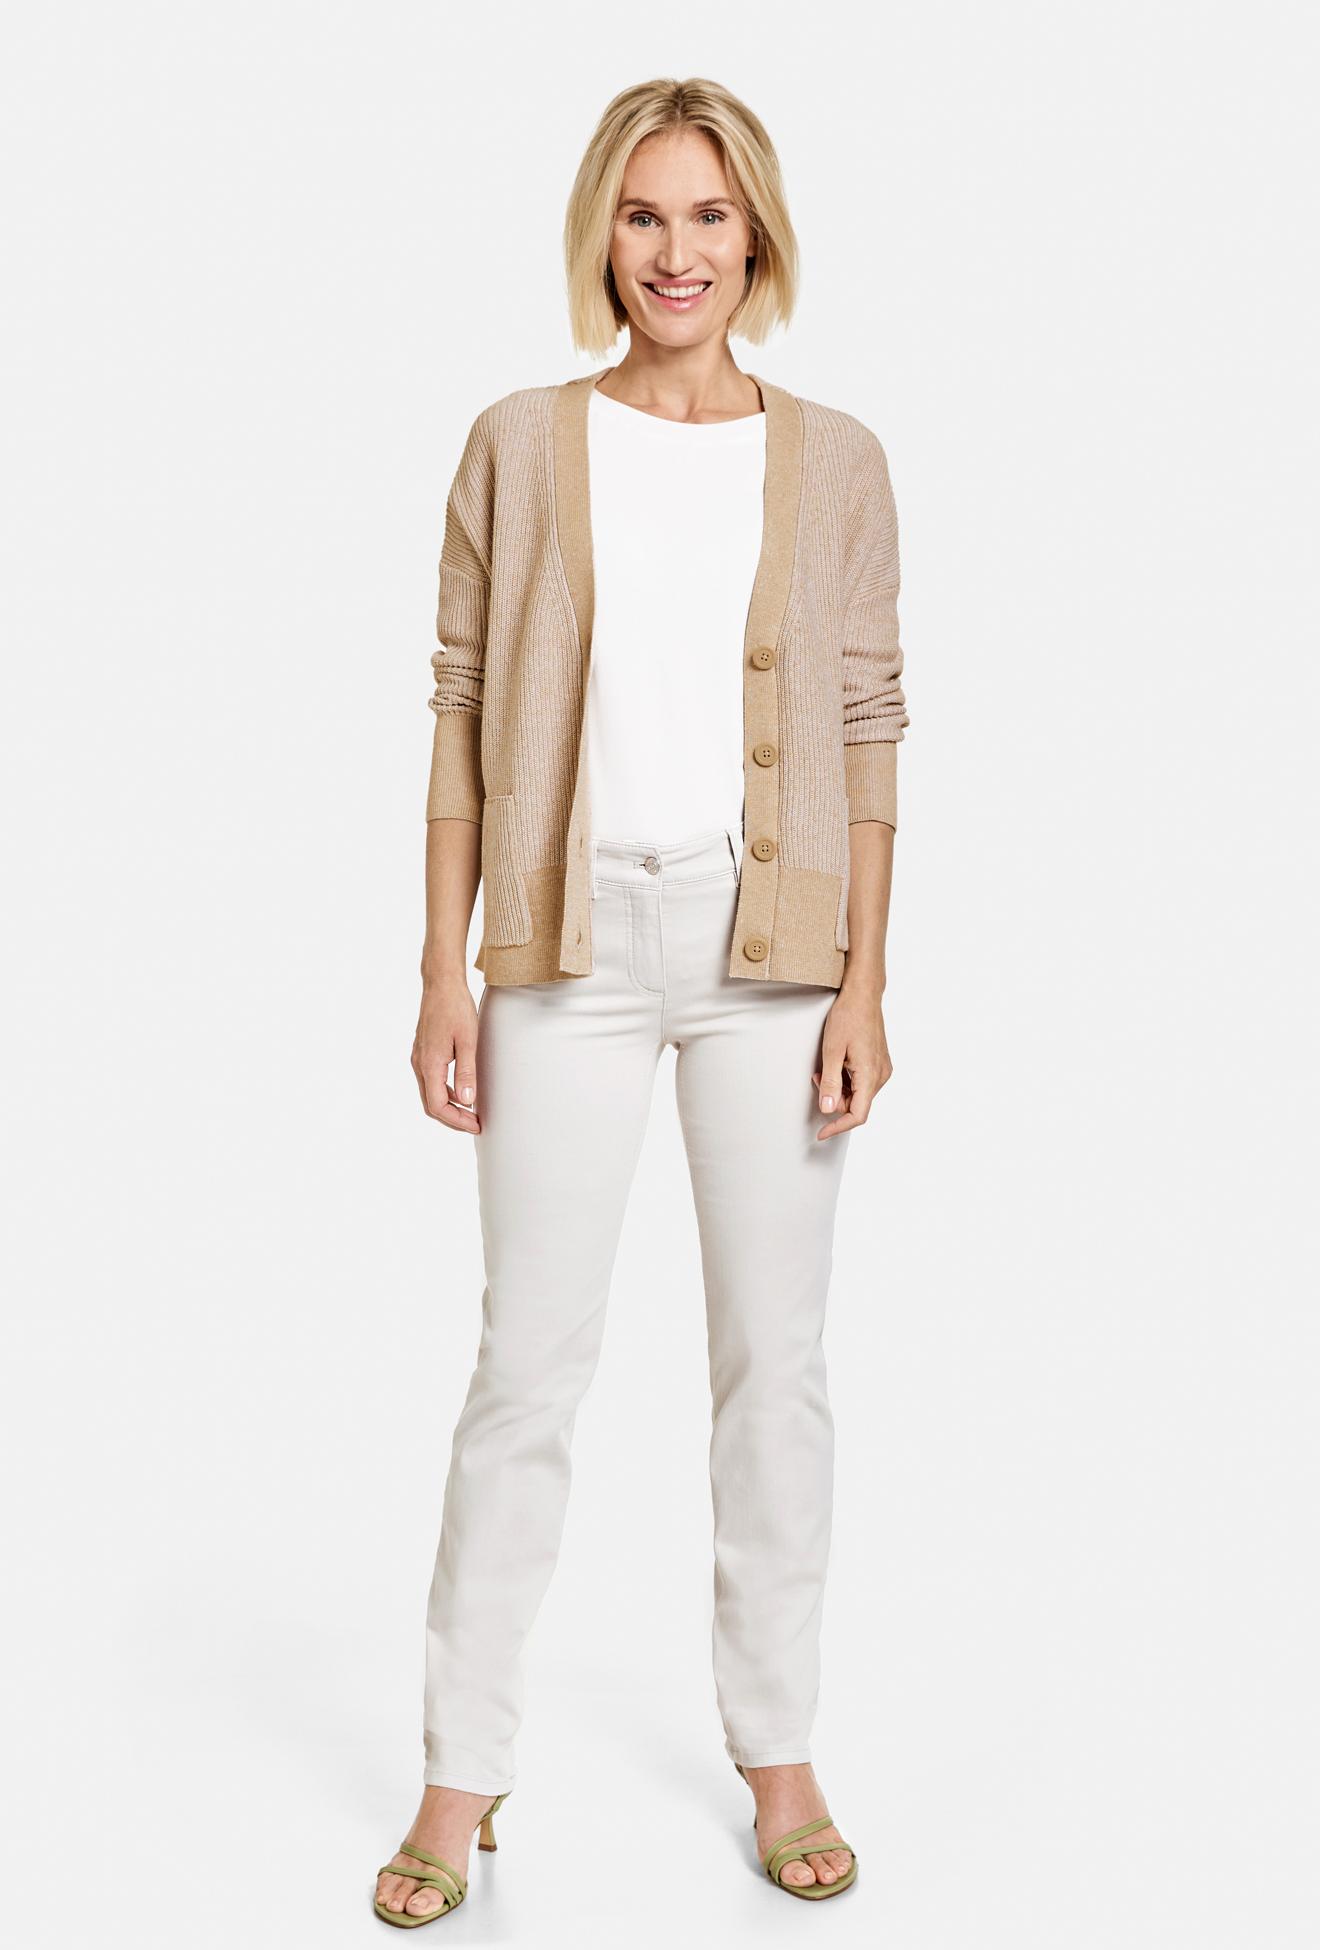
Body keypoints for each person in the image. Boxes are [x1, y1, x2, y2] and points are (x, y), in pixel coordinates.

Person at [373, 75, 907, 1926]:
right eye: (643, 214)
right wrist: (442, 965)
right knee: (527, 1366)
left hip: (776, 956)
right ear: (603, 233)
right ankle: (461, 1772)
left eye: (708, 215)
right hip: (567, 946)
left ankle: (782, 1750)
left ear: (757, 236)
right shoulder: (521, 441)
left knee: (778, 1368)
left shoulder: (838, 460)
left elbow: (868, 720)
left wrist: (866, 976)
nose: (676, 252)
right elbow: (459, 707)